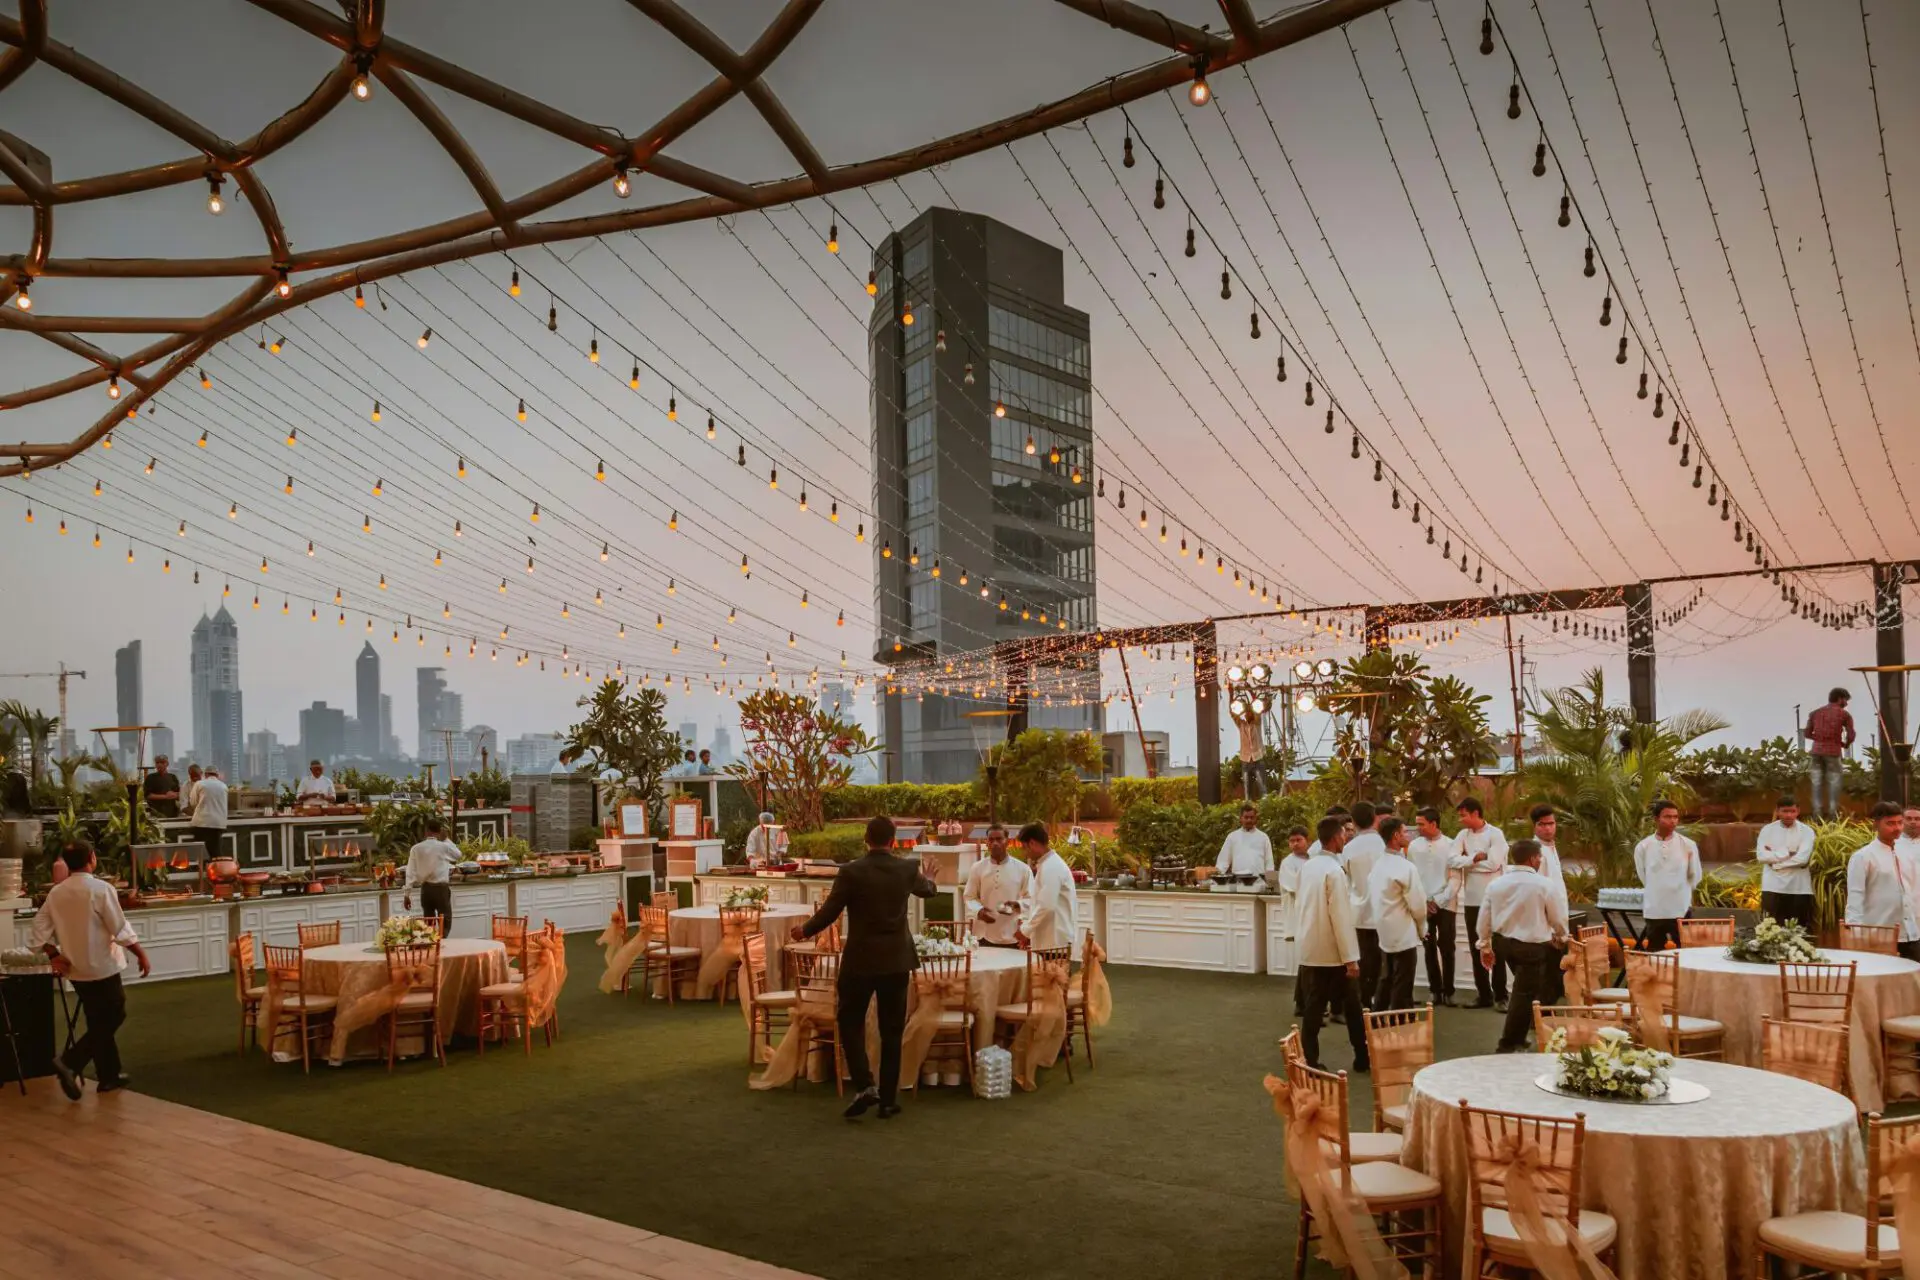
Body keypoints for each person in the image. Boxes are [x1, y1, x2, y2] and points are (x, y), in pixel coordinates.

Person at [788, 816, 939, 1118]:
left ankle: (865, 1084)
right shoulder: (907, 869)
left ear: (866, 839)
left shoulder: (851, 871)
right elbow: (929, 890)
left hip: (860, 961)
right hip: (896, 960)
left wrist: (804, 930)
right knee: (892, 1031)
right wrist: (930, 877)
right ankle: (888, 1101)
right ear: (893, 841)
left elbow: (830, 912)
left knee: (849, 1022)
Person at [31, 841, 151, 1099]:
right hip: (103, 965)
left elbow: (38, 926)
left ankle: (109, 1076)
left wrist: (53, 953)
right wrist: (140, 953)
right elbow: (119, 927)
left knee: (98, 1019)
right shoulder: (101, 889)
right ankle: (70, 1061)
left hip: (75, 967)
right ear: (92, 859)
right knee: (115, 1014)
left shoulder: (57, 893)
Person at [1475, 838, 1568, 1053]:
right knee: (1523, 994)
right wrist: (1562, 937)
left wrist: (1485, 945)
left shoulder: (1496, 884)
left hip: (1503, 944)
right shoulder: (1544, 884)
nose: (1540, 860)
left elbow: (1484, 917)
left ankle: (1519, 1037)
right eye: (1539, 857)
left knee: (1525, 991)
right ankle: (1508, 1043)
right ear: (1533, 858)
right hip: (1531, 947)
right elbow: (1557, 917)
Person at [1294, 817, 1368, 1073]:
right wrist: (1351, 958)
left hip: (1310, 947)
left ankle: (1309, 1060)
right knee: (1353, 1007)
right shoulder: (1334, 871)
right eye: (1343, 834)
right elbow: (1340, 916)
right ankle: (1362, 1057)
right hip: (1333, 952)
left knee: (1314, 1008)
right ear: (1336, 838)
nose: (1346, 838)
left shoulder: (1307, 867)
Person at [1846, 801, 1920, 961]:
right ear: (1876, 825)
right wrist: (1855, 933)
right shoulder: (1863, 856)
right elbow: (1855, 897)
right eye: (1890, 823)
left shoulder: (1907, 854)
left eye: (1899, 822)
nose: (1897, 828)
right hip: (1879, 934)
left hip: (1911, 932)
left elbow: (1915, 891)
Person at [1366, 816, 1427, 1011]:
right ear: (1395, 836)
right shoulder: (1405, 867)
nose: (1408, 835)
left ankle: (1377, 1019)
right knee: (1403, 983)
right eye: (1405, 831)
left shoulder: (1377, 865)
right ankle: (1399, 1022)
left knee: (1387, 977)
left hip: (1383, 929)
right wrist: (1422, 929)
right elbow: (1418, 905)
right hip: (1403, 931)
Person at [1455, 797, 1509, 1010]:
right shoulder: (1462, 835)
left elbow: (1494, 864)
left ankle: (1501, 996)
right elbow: (1452, 860)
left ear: (1475, 813)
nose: (1461, 819)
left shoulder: (1496, 834)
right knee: (1475, 946)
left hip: (1495, 899)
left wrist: (1467, 863)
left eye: (1463, 815)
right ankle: (1483, 994)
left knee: (1497, 947)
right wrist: (1473, 859)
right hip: (1471, 900)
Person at [1410, 808, 1465, 1005]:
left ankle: (1449, 991)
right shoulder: (1413, 846)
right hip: (1423, 904)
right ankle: (1435, 990)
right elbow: (1412, 876)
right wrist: (1424, 901)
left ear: (1434, 824)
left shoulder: (1452, 845)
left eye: (1421, 824)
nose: (1417, 828)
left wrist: (1438, 901)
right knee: (1429, 947)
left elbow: (1456, 879)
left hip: (1447, 904)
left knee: (1447, 947)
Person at [1634, 800, 1701, 951]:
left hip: (1680, 908)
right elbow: (1643, 876)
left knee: (1686, 951)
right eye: (1668, 817)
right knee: (1654, 950)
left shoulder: (1688, 845)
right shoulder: (1643, 846)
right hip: (1655, 909)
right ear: (1656, 819)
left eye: (1675, 817)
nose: (1673, 821)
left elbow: (1694, 875)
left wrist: (1681, 893)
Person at [1341, 801, 1387, 1004]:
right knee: (1382, 962)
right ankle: (1379, 1001)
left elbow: (1346, 878)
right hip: (1383, 910)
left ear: (1353, 822)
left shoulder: (1348, 848)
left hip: (1358, 910)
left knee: (1362, 959)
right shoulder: (1384, 844)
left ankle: (1362, 1001)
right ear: (1375, 818)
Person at [1756, 796, 1817, 932]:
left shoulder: (1807, 831)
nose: (1789, 815)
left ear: (1798, 811)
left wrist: (1776, 862)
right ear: (1777, 811)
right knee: (1770, 931)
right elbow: (1761, 856)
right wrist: (1788, 853)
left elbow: (1802, 859)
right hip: (1772, 886)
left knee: (1798, 931)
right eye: (1785, 811)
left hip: (1799, 887)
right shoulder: (1767, 830)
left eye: (1792, 811)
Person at [964, 824, 1032, 946]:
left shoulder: (1023, 869)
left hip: (1012, 936)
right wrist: (979, 911)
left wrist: (1017, 905)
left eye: (999, 839)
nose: (995, 843)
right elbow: (969, 897)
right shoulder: (977, 868)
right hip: (984, 935)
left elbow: (1031, 899)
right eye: (991, 840)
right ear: (987, 843)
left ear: (1007, 842)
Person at [1017, 822, 1079, 952]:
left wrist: (1025, 931)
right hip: (1050, 941)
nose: (1024, 853)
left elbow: (1046, 906)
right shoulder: (1047, 865)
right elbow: (1039, 903)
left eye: (1024, 848)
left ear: (1032, 843)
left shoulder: (1051, 867)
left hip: (1054, 943)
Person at [401, 817, 462, 935]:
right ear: (439, 832)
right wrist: (446, 839)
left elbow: (410, 872)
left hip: (426, 889)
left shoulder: (416, 848)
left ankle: (431, 942)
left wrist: (407, 894)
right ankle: (442, 941)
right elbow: (458, 855)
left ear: (426, 831)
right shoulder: (443, 847)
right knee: (445, 921)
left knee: (428, 922)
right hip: (441, 889)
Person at [1276, 827, 1312, 1015]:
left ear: (1308, 840)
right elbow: (1294, 887)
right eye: (1292, 841)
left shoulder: (1314, 859)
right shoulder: (1287, 863)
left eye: (1299, 840)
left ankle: (1304, 1002)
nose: (1295, 844)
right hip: (1299, 916)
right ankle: (1302, 1003)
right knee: (1307, 961)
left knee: (1310, 961)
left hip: (1313, 915)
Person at [1804, 688, 1855, 819]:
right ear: (1840, 698)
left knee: (1816, 783)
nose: (1846, 703)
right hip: (1833, 752)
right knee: (1834, 783)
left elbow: (1807, 733)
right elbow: (1850, 735)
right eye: (1845, 700)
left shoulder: (1815, 713)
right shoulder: (1844, 715)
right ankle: (1833, 816)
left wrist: (1819, 739)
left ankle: (1817, 816)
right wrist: (1845, 744)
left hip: (1816, 751)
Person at [1215, 803, 1275, 891]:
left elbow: (1269, 862)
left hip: (1260, 885)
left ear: (1256, 818)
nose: (1249, 820)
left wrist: (1270, 883)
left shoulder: (1263, 837)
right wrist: (1217, 880)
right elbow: (1223, 861)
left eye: (1251, 817)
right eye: (1246, 817)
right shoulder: (1232, 837)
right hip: (1237, 885)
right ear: (1241, 818)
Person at [188, 766, 229, 865]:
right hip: (218, 823)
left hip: (202, 822)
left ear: (205, 774)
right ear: (217, 775)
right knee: (216, 852)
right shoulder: (224, 786)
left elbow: (193, 803)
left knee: (201, 852)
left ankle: (202, 870)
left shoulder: (199, 784)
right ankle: (218, 871)